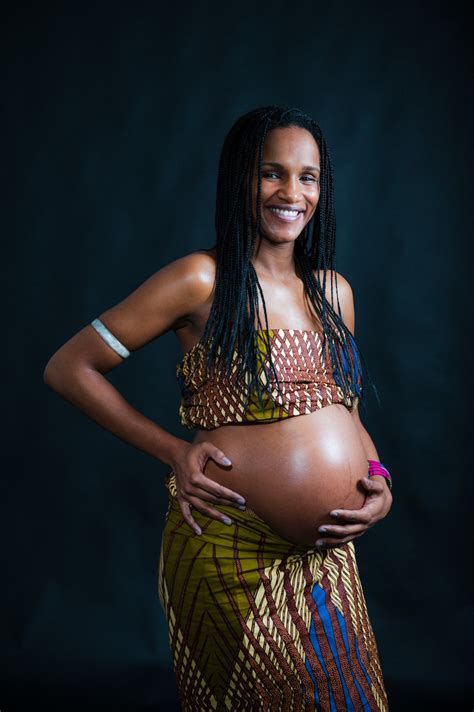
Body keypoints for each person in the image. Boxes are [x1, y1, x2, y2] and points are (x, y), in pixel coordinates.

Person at [44, 105, 393, 711]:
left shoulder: (335, 291)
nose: (291, 192)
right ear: (240, 179)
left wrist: (379, 479)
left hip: (326, 560)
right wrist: (173, 451)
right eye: (271, 173)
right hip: (229, 549)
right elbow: (68, 368)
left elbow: (348, 409)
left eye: (307, 177)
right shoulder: (201, 281)